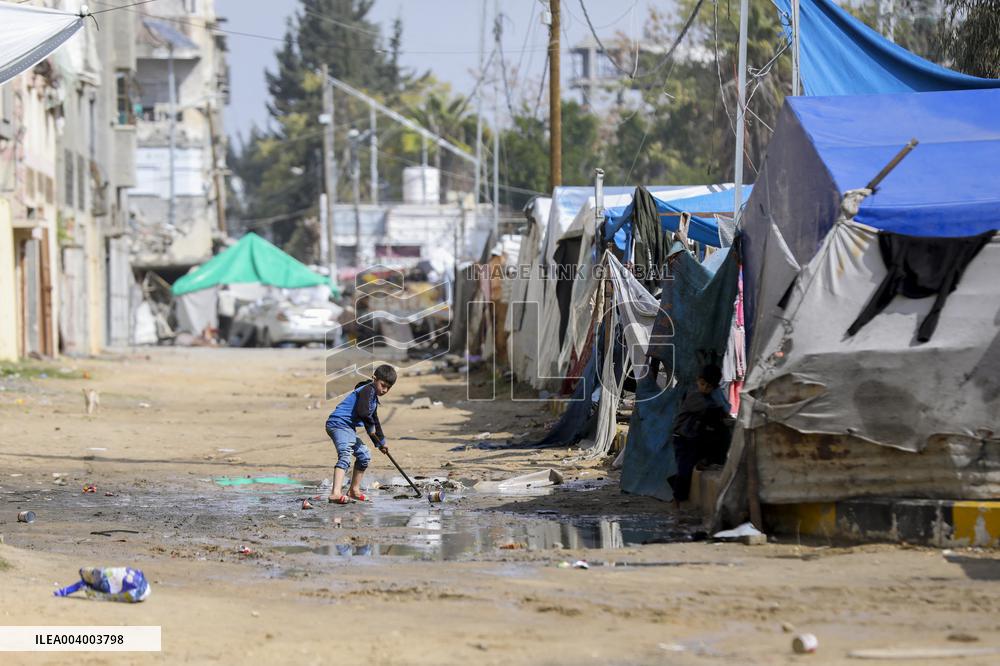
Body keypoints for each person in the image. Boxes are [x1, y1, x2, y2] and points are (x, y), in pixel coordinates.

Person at [324, 364, 397, 503]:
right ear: (374, 378)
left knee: (364, 455)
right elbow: (363, 413)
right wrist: (371, 431)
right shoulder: (368, 390)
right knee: (345, 454)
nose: (385, 390)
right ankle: (335, 493)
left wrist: (380, 442)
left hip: (348, 427)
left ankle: (353, 491)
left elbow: (373, 419)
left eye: (388, 387)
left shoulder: (373, 398)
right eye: (383, 385)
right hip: (338, 423)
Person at [669, 364, 731, 504]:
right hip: (683, 438)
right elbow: (713, 410)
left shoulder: (708, 396)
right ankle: (677, 500)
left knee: (689, 466)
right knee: (684, 469)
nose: (704, 388)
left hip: (693, 437)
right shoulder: (695, 396)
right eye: (702, 384)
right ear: (698, 380)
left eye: (708, 386)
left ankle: (703, 462)